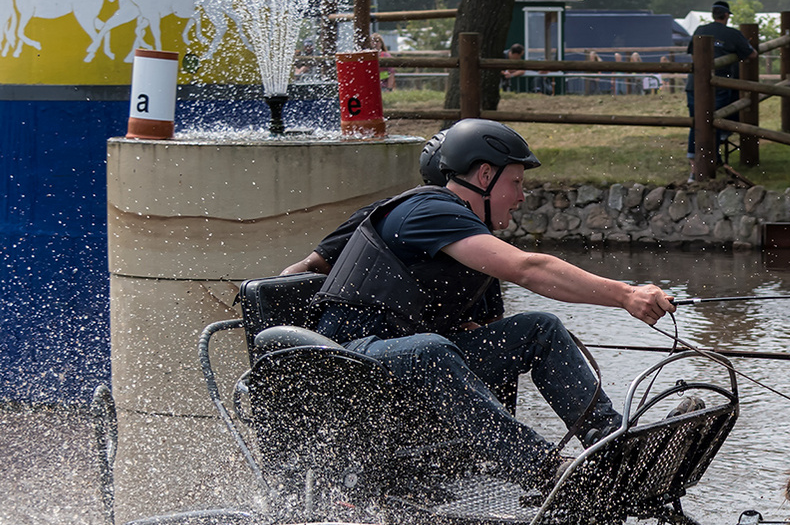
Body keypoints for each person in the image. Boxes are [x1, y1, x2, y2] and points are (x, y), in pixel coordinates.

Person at [280, 119, 674, 485]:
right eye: (516, 183)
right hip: (352, 362)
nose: (521, 197)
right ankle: (543, 469)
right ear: (485, 176)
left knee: (538, 329)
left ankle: (612, 446)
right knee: (428, 348)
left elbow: (476, 316)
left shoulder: (467, 234)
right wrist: (627, 295)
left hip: (405, 362)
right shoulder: (427, 210)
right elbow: (528, 269)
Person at [685, 0, 753, 158]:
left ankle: (695, 161)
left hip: (693, 84)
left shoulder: (700, 30)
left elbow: (693, 54)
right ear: (726, 15)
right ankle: (712, 158)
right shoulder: (732, 34)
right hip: (719, 85)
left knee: (697, 122)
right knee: (713, 120)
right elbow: (752, 54)